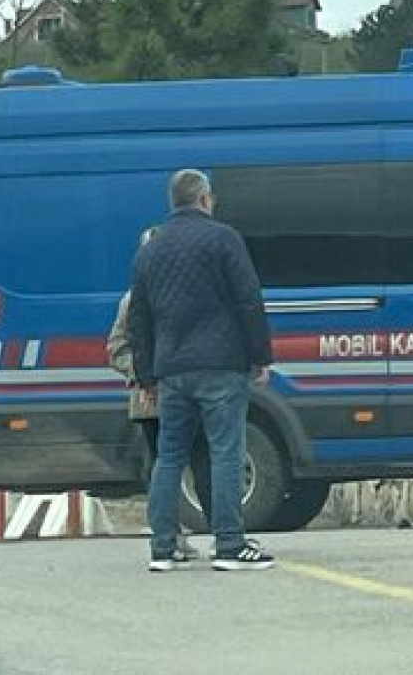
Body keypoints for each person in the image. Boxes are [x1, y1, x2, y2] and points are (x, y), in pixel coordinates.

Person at [128, 169, 275, 572]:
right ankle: (229, 544)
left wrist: (146, 377)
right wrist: (261, 356)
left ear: (173, 201)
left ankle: (163, 547)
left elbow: (138, 319)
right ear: (205, 199)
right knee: (226, 452)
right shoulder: (224, 239)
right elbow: (248, 299)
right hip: (221, 364)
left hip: (172, 370)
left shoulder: (151, 250)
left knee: (169, 456)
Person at [106, 241, 214, 552]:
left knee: (203, 463)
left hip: (187, 393)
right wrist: (143, 375)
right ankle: (169, 536)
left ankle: (218, 532)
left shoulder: (185, 294)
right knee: (162, 466)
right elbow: (116, 348)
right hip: (151, 401)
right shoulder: (132, 301)